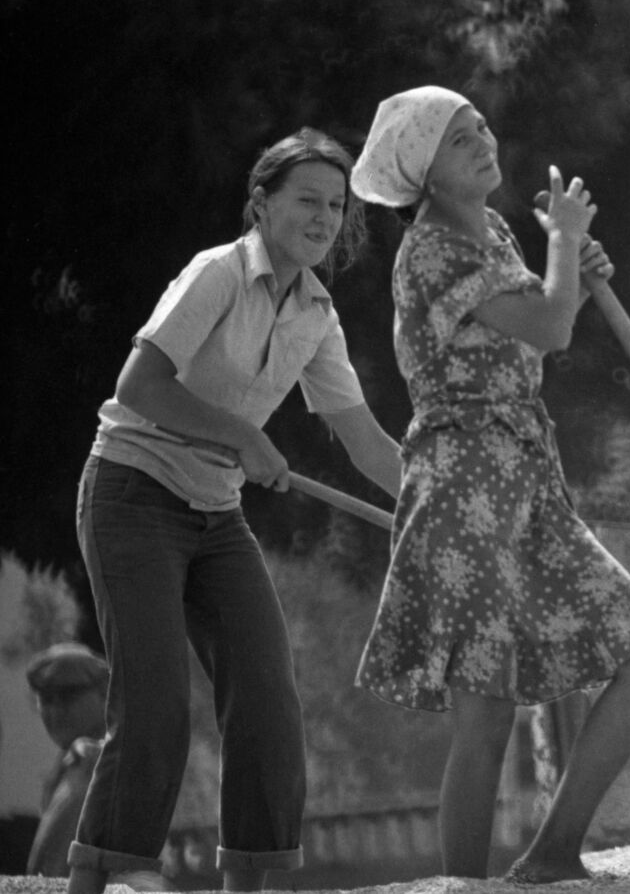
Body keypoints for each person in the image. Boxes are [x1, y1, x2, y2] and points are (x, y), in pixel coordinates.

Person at [349, 85, 630, 883]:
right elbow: (551, 327)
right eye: (459, 139)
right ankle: (466, 885)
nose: (483, 142)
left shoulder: (494, 231)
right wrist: (565, 246)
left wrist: (571, 260)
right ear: (422, 173)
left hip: (527, 477)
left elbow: (546, 307)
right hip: (463, 483)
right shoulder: (429, 248)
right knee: (487, 714)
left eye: (482, 127)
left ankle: (554, 848)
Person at [71, 128, 402, 894]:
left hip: (216, 516)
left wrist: (435, 505)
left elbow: (364, 442)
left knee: (267, 708)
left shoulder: (318, 315)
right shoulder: (215, 273)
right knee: (154, 705)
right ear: (261, 204)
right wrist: (243, 434)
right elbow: (138, 387)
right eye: (307, 201)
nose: (324, 218)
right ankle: (101, 880)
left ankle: (247, 890)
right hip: (131, 493)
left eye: (336, 206)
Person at [25, 645, 108, 878]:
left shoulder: (100, 759)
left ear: (104, 694)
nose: (56, 710)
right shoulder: (68, 763)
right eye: (46, 699)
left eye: (69, 696)